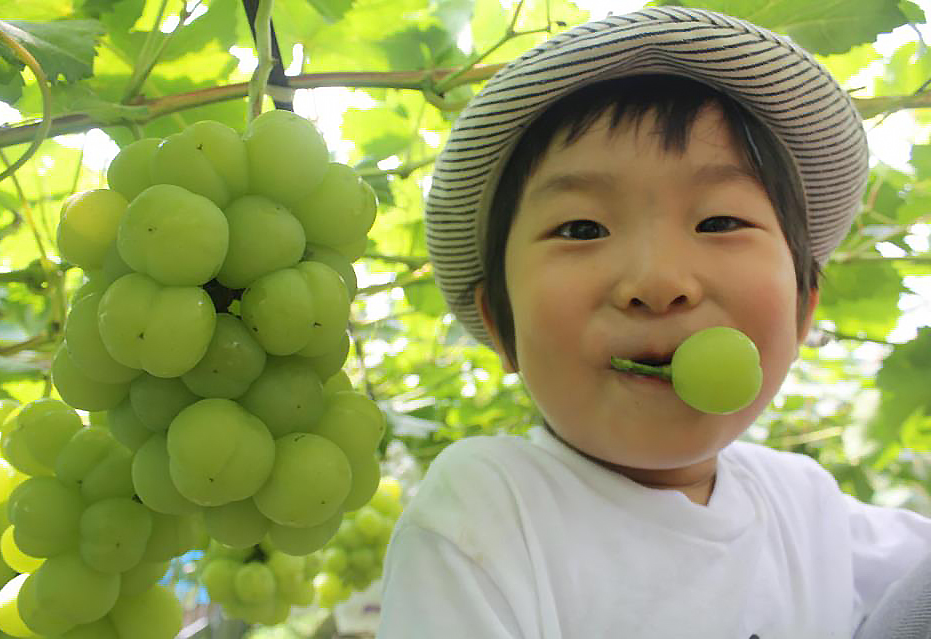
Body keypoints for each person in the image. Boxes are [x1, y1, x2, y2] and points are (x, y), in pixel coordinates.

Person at [377, 6, 931, 639]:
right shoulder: (489, 510)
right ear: (500, 327)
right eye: (581, 229)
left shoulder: (806, 502)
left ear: (804, 310)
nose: (659, 282)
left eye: (719, 222)